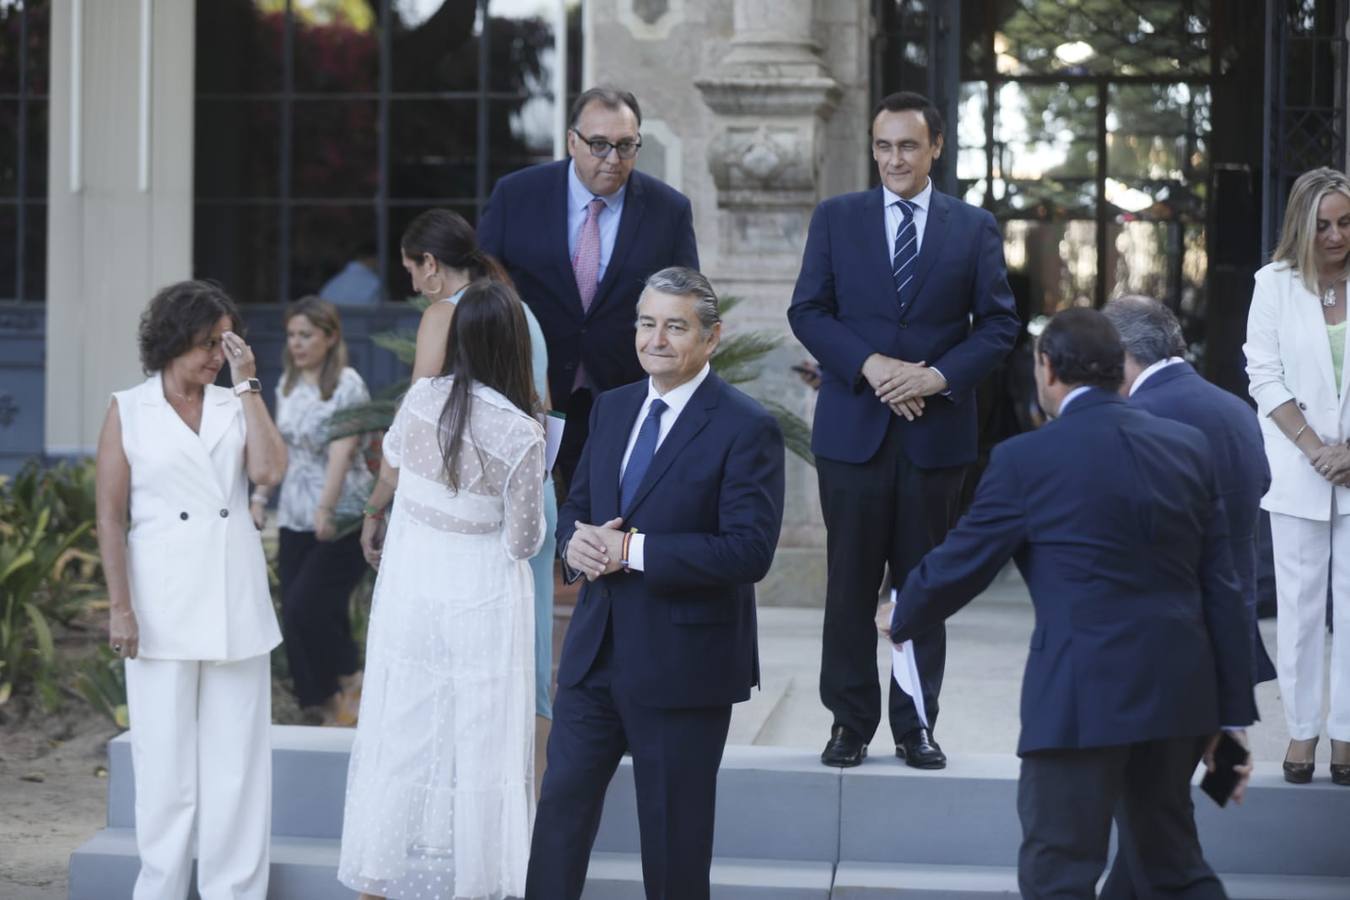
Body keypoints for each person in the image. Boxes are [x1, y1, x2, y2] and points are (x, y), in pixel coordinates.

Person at [880, 307, 1256, 899]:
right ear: (1118, 369)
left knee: (1059, 873)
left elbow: (964, 561)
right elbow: (1224, 587)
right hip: (1181, 698)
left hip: (1081, 698)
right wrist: (1231, 723)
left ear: (1047, 368)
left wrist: (902, 610)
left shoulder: (1026, 459)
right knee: (1173, 869)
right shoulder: (1186, 448)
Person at [525, 267, 786, 900]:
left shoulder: (746, 425)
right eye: (647, 323)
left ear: (711, 337)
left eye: (675, 326)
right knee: (557, 818)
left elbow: (749, 551)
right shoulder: (612, 408)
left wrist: (632, 550)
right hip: (595, 659)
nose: (656, 339)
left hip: (684, 666)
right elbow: (578, 509)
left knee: (673, 845)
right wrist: (576, 544)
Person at [788, 90, 1019, 769]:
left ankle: (915, 723)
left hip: (935, 436)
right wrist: (874, 366)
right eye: (883, 145)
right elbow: (809, 310)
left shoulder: (973, 228)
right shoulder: (836, 218)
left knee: (924, 586)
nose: (894, 158)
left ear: (936, 147)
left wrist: (934, 377)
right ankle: (849, 724)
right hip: (853, 432)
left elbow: (1001, 325)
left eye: (908, 146)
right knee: (850, 585)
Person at [338, 281, 546, 900]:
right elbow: (523, 541)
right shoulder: (521, 431)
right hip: (481, 595)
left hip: (413, 587)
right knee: (483, 740)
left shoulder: (421, 400)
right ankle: (477, 884)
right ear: (513, 344)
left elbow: (397, 467)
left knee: (400, 727)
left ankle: (377, 881)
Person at [94, 280, 287, 900]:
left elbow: (268, 472)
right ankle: (162, 889)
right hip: (159, 604)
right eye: (207, 343)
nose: (216, 356)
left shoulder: (236, 403)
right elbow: (110, 516)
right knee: (165, 769)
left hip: (234, 598)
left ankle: (235, 892)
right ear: (172, 340)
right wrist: (120, 608)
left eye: (226, 343)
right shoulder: (129, 407)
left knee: (238, 770)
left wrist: (249, 382)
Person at [400, 207, 559, 788]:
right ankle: (533, 803)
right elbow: (544, 403)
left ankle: (465, 797)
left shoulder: (445, 314)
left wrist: (375, 507)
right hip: (532, 496)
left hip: (470, 514)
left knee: (455, 660)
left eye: (412, 272)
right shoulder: (520, 310)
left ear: (432, 265)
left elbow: (420, 426)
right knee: (529, 657)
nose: (413, 287)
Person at [478, 85, 700, 489]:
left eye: (625, 146)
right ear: (571, 141)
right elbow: (482, 290)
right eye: (598, 145)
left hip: (624, 394)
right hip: (527, 388)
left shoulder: (669, 210)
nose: (613, 159)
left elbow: (687, 303)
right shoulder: (517, 196)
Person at [1106, 295, 1277, 688]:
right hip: (1233, 622)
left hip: (1159, 632)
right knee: (1223, 747)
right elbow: (1261, 485)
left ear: (1121, 351)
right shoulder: (1238, 410)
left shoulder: (1131, 419)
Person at [1244, 166, 1350, 786]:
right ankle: (1303, 732)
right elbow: (1263, 373)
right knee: (1302, 610)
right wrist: (1317, 449)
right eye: (1322, 225)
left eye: (1344, 222)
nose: (1335, 236)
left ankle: (1347, 737)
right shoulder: (1274, 284)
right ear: (1300, 226)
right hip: (1299, 466)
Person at [249, 297, 373, 726]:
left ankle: (350, 681)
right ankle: (317, 705)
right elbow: (279, 449)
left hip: (343, 512)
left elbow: (343, 450)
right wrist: (261, 497)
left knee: (310, 604)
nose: (297, 344)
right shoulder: (288, 382)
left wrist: (327, 508)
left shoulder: (348, 384)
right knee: (295, 609)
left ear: (330, 337)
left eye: (306, 335)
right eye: (292, 336)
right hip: (296, 513)